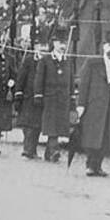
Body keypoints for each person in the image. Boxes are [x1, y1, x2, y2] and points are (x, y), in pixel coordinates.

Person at [75, 30, 110, 177]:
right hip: (94, 106)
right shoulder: (92, 63)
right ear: (103, 46)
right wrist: (81, 105)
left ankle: (99, 166)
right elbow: (84, 84)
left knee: (106, 137)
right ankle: (90, 165)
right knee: (92, 136)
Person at [34, 28, 73, 162]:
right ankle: (54, 151)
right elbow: (39, 79)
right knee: (51, 126)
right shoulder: (45, 60)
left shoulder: (67, 61)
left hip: (63, 98)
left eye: (64, 43)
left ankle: (49, 152)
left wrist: (72, 96)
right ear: (54, 43)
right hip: (50, 97)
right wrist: (38, 95)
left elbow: (71, 80)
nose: (63, 46)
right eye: (60, 43)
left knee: (58, 126)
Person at [15, 41, 46, 159]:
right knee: (28, 125)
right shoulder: (28, 60)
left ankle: (33, 150)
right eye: (40, 47)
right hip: (28, 97)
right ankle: (27, 150)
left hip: (40, 97)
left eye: (44, 47)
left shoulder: (46, 61)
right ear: (36, 48)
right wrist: (18, 94)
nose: (42, 49)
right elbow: (21, 78)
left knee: (37, 125)